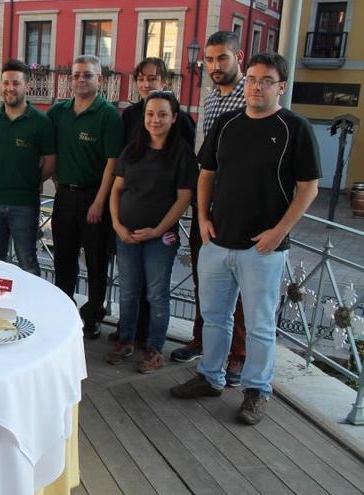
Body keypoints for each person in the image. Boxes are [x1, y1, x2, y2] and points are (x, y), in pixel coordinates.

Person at [171, 53, 320, 425]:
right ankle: (210, 377)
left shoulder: (295, 128)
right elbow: (206, 174)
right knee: (214, 318)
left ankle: (256, 391)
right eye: (251, 79)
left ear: (280, 87)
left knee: (259, 325)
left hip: (263, 249)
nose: (255, 86)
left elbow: (309, 189)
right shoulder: (226, 123)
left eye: (265, 80)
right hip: (218, 242)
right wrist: (202, 218)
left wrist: (279, 232)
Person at [170, 31, 250, 388]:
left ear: (239, 57)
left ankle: (238, 356)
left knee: (239, 290)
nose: (215, 66)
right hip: (209, 204)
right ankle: (202, 341)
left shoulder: (252, 95)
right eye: (210, 60)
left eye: (222, 59)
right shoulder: (211, 97)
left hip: (240, 207)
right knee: (206, 279)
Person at [106, 91, 198, 373]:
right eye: (150, 114)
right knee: (128, 292)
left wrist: (158, 230)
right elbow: (116, 189)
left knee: (157, 295)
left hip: (160, 239)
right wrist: (117, 224)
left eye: (162, 114)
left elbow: (183, 199)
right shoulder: (132, 149)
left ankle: (155, 348)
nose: (155, 120)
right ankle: (126, 340)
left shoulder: (182, 154)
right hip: (127, 235)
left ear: (173, 118)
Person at [47, 55, 123, 338]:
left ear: (99, 79)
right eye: (76, 75)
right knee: (63, 259)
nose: (81, 79)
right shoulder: (58, 112)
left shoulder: (108, 115)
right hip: (65, 197)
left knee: (95, 261)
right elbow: (50, 150)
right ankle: (64, 310)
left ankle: (92, 315)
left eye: (87, 75)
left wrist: (100, 201)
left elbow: (112, 164)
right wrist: (56, 180)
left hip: (94, 197)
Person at [0, 59, 56, 275]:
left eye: (15, 83)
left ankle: (30, 307)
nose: (9, 88)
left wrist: (30, 179)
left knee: (28, 262)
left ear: (26, 87)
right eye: (5, 83)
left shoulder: (41, 122)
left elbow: (51, 162)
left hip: (24, 205)